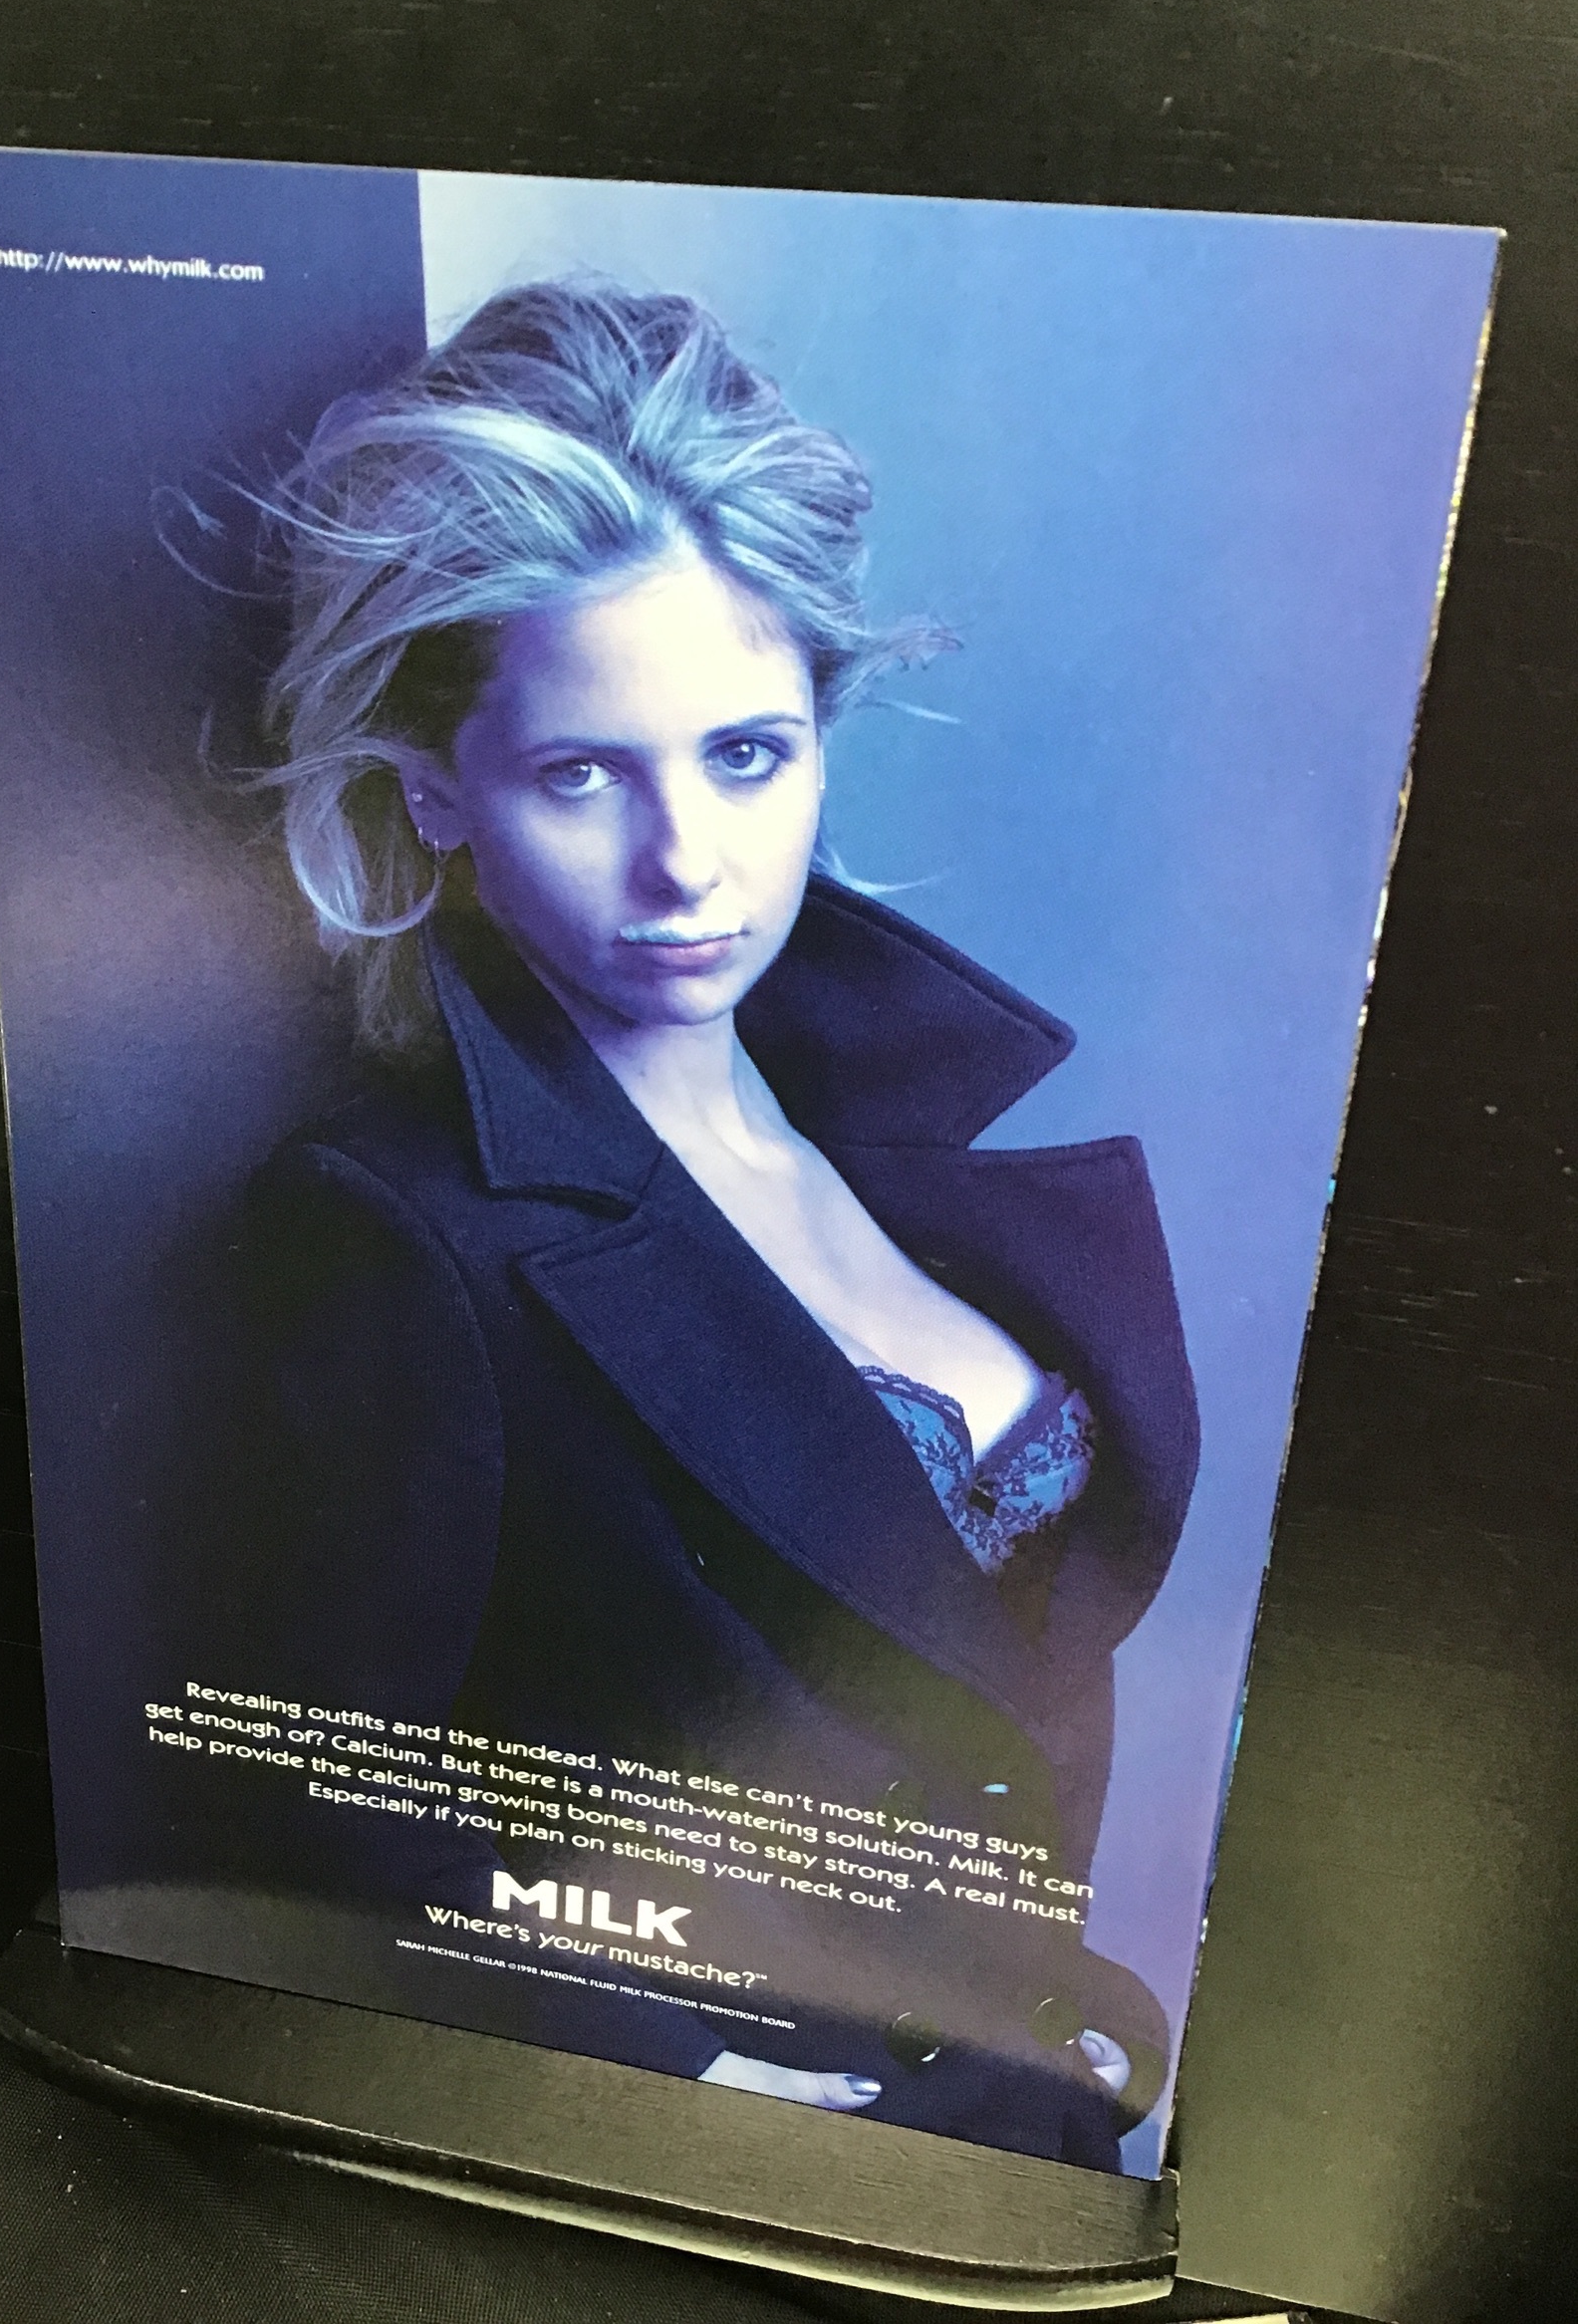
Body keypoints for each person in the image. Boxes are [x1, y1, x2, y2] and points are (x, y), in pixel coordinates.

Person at [239, 279, 1199, 2170]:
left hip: (1019, 2126)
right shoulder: (397, 1234)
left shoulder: (886, 1127)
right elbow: (298, 1790)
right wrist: (663, 2080)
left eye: (746, 754)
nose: (688, 864)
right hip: (727, 2172)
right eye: (582, 773)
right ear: (436, 789)